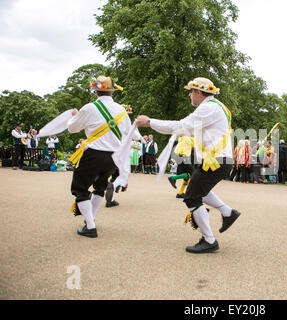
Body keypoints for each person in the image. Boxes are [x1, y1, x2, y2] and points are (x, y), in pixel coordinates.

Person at [136, 77, 241, 254]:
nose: (189, 95)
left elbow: (180, 126)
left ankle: (209, 240)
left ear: (199, 92)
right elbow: (187, 129)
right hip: (217, 160)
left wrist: (149, 122)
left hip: (216, 161)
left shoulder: (207, 108)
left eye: (191, 91)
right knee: (200, 190)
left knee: (191, 197)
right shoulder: (217, 107)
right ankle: (228, 212)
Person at [67, 75, 131, 238]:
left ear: (96, 91)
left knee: (80, 189)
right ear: (112, 92)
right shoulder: (122, 110)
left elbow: (72, 128)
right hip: (114, 157)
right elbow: (128, 132)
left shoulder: (89, 108)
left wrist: (74, 117)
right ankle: (91, 220)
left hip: (93, 154)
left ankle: (90, 226)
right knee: (100, 187)